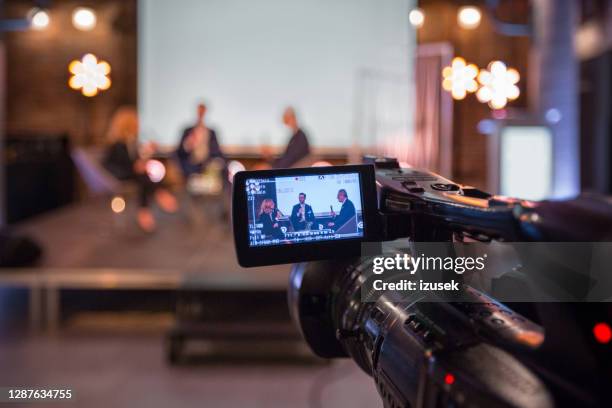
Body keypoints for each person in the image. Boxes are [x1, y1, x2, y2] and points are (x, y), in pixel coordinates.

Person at [103, 106, 178, 232]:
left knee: (146, 175)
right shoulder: (117, 144)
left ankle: (147, 208)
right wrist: (134, 166)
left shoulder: (131, 142)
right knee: (143, 177)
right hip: (119, 175)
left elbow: (135, 161)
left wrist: (146, 154)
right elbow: (113, 164)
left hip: (133, 174)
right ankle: (159, 194)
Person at [176, 102, 225, 178]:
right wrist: (188, 144)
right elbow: (180, 151)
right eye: (199, 111)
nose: (201, 113)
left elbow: (217, 151)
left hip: (208, 166)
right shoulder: (188, 131)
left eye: (203, 111)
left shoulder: (211, 132)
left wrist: (216, 162)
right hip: (190, 166)